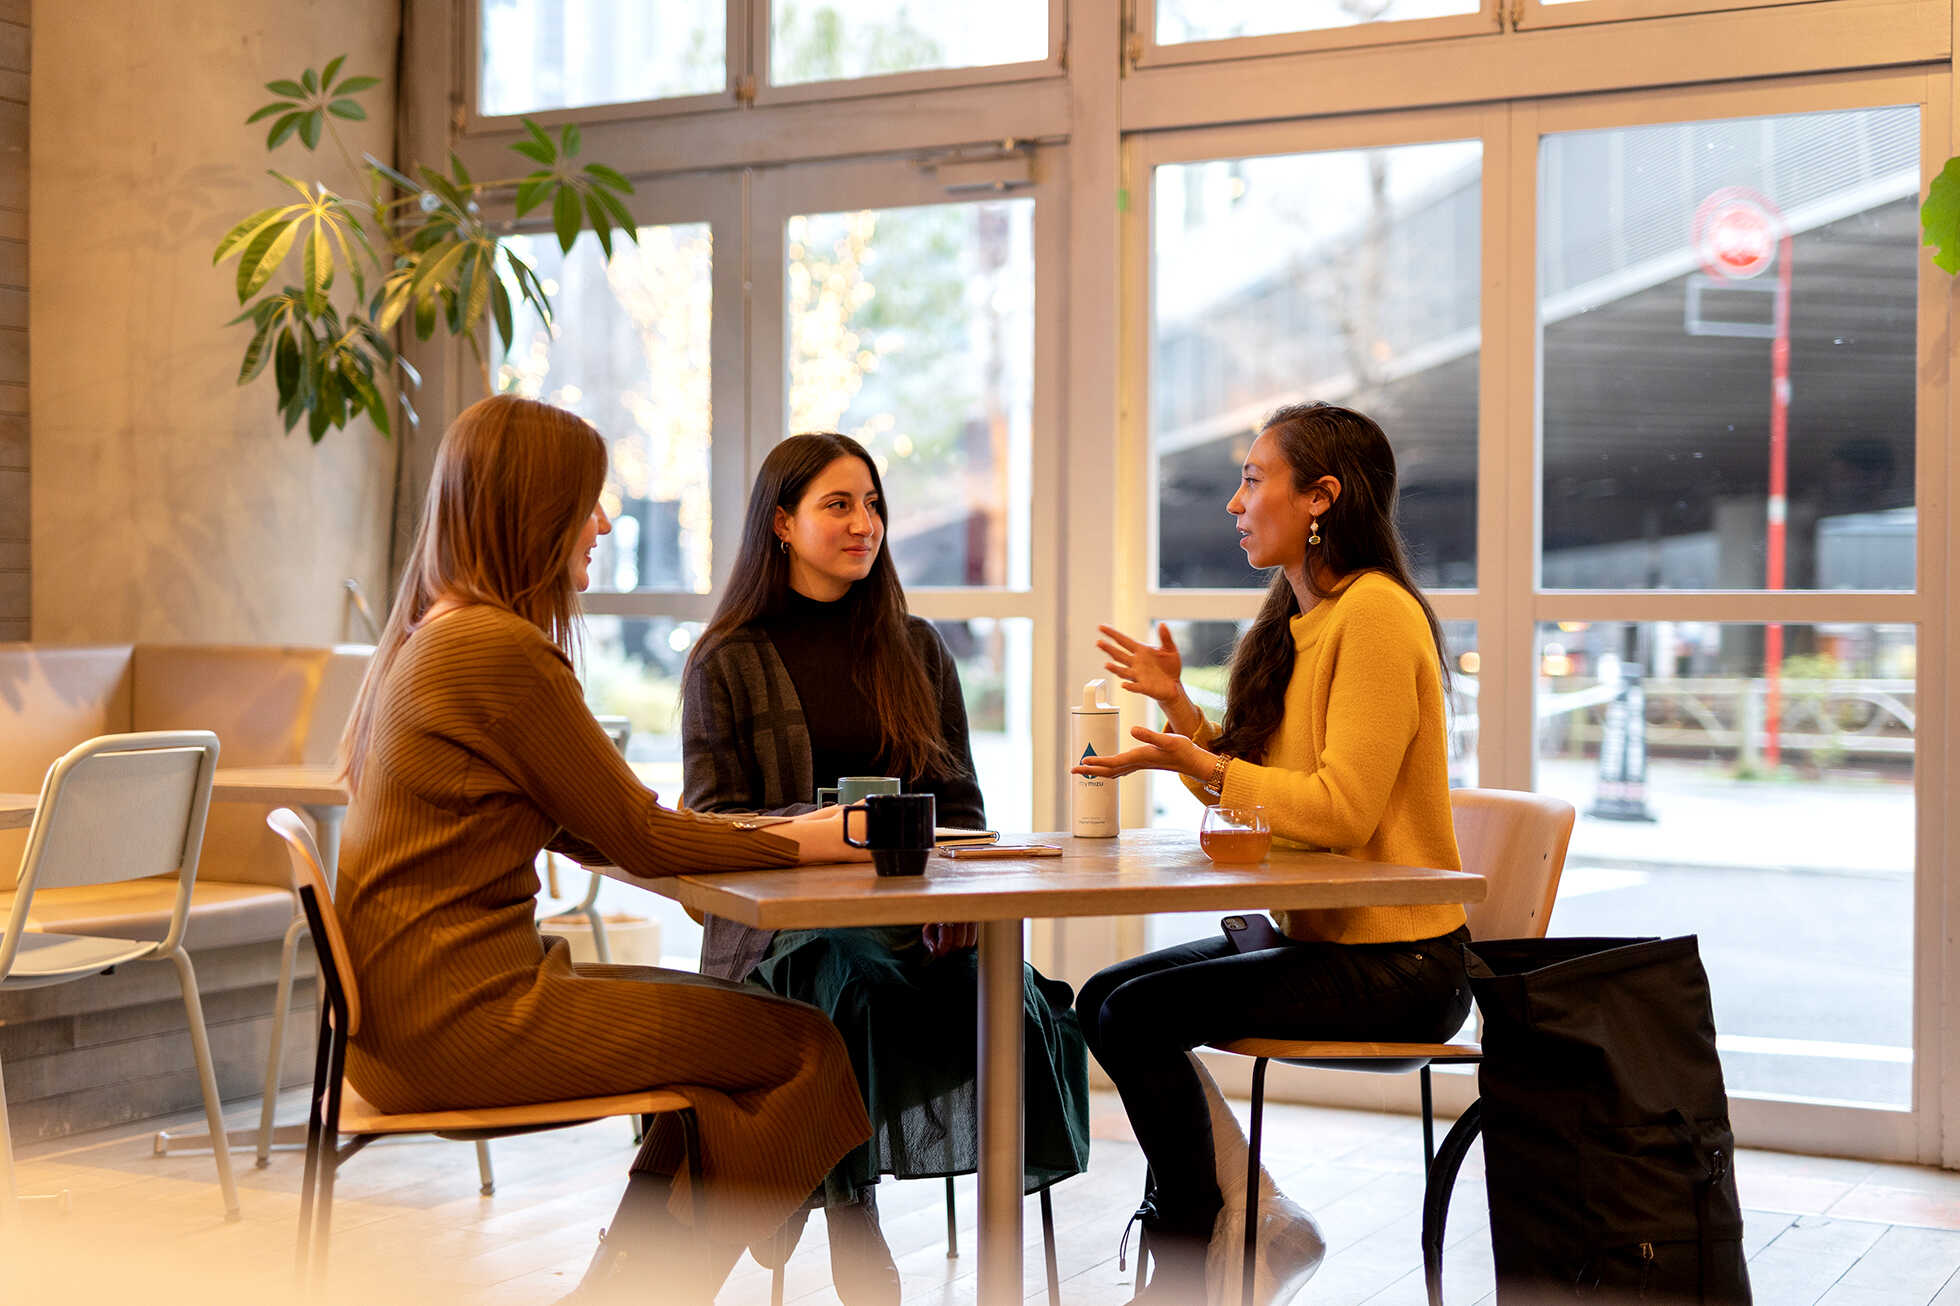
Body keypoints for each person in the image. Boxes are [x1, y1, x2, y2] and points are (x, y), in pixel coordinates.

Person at [333, 395, 874, 1301]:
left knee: (725, 1047)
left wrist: (771, 836)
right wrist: (808, 845)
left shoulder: (440, 634)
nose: (605, 523)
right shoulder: (497, 651)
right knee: (801, 1048)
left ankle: (618, 1289)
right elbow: (640, 834)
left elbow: (595, 827)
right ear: (534, 511)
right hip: (462, 1027)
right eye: (588, 502)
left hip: (410, 1023)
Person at [1073, 402, 1472, 1305]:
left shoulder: (1375, 615)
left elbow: (1341, 812)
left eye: (1254, 480)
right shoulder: (1304, 619)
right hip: (1331, 940)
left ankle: (1194, 1259)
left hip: (1404, 964)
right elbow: (1264, 795)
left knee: (1134, 1017)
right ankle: (1254, 1221)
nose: (1235, 503)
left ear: (1321, 497)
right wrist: (1182, 714)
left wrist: (1205, 763)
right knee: (1103, 1000)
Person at [682, 432, 1091, 1306]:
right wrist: (831, 831)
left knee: (1016, 1000)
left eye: (872, 505)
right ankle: (849, 1207)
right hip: (781, 938)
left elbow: (963, 807)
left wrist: (962, 898)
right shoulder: (727, 659)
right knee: (841, 981)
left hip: (916, 924)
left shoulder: (918, 648)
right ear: (782, 523)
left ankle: (897, 1213)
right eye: (838, 505)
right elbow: (715, 821)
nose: (864, 523)